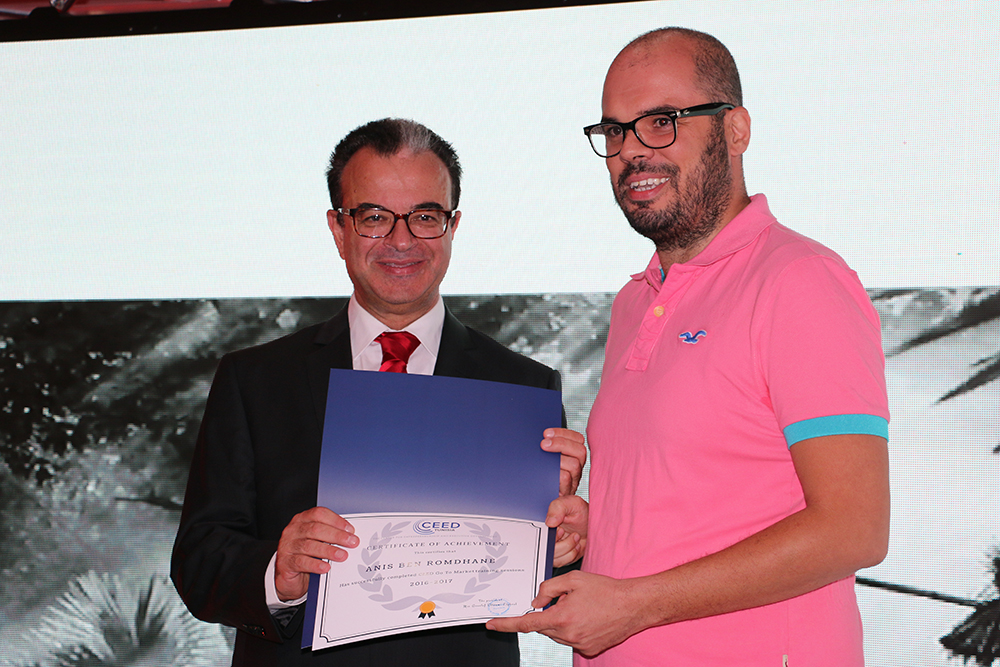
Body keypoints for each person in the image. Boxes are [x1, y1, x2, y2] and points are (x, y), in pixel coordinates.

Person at [487, 27, 890, 666]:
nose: (630, 151)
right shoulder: (634, 300)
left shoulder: (800, 280)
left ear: (735, 129)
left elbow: (854, 529)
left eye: (662, 122)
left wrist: (635, 604)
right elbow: (688, 512)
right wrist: (592, 531)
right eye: (615, 131)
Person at [171, 118, 586, 667]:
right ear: (338, 228)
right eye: (373, 217)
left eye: (425, 217)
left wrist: (563, 547)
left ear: (453, 226)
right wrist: (279, 571)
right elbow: (200, 561)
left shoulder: (522, 387)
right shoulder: (254, 380)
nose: (402, 240)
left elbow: (546, 584)